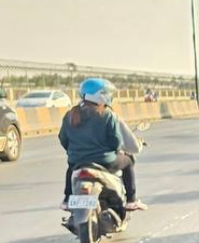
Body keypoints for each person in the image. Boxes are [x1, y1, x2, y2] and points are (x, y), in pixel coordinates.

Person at [59, 78, 146, 210]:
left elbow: (63, 139)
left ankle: (67, 200)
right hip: (105, 161)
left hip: (77, 161)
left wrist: (75, 152)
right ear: (100, 95)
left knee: (71, 168)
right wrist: (116, 150)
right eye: (106, 93)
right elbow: (115, 141)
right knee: (128, 161)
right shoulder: (107, 114)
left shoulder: (70, 115)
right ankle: (131, 200)